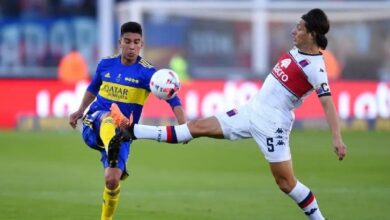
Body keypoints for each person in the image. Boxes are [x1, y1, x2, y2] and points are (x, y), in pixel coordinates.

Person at [111, 9, 347, 220]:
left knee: (285, 183)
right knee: (196, 127)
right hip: (250, 110)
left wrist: (336, 137)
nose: (294, 30)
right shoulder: (297, 48)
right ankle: (130, 131)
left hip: (273, 124)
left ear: (312, 35)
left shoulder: (316, 68)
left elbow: (327, 103)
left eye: (300, 28)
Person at [68, 21, 186, 220]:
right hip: (94, 122)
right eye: (127, 41)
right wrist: (80, 109)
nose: (132, 46)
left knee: (112, 180)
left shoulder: (148, 73)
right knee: (109, 117)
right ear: (119, 43)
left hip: (124, 133)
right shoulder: (105, 64)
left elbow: (173, 98)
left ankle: (106, 218)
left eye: (136, 42)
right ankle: (110, 144)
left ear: (142, 45)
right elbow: (93, 87)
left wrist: (184, 127)